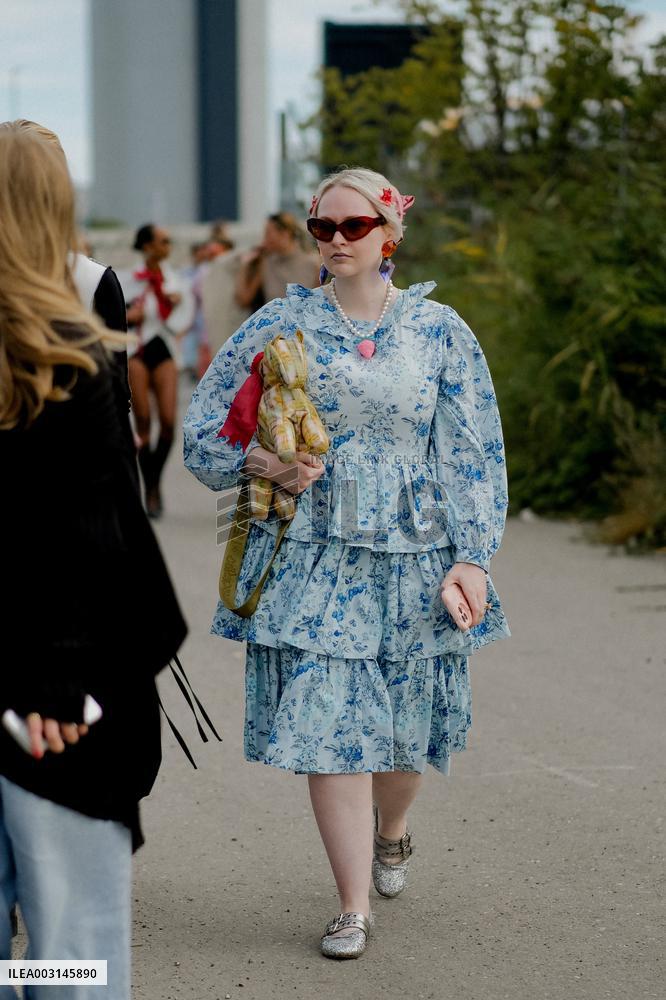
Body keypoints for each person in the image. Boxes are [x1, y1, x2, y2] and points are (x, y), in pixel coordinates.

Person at [183, 167, 510, 959]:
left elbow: (474, 454)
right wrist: (266, 464)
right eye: (320, 227)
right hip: (312, 556)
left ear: (389, 235)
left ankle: (392, 831)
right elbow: (204, 438)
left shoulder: (440, 332)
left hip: (415, 554)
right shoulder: (276, 328)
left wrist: (474, 557)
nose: (333, 240)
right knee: (330, 724)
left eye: (352, 227)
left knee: (403, 736)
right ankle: (351, 904)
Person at [0, 123, 187, 995]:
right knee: (72, 944)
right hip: (56, 702)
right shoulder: (71, 358)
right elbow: (96, 536)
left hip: (41, 685)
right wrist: (65, 684)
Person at [120, 224, 194, 518]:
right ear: (148, 245)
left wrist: (172, 306)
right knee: (142, 420)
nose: (168, 245)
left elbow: (186, 315)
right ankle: (148, 489)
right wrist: (130, 315)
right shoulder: (128, 279)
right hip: (136, 349)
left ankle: (153, 480)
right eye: (163, 241)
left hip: (163, 347)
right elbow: (110, 314)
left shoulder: (174, 280)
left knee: (167, 421)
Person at [234, 211, 319, 312]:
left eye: (268, 233)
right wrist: (245, 265)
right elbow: (243, 300)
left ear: (285, 234)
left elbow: (318, 303)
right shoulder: (265, 262)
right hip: (274, 325)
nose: (264, 239)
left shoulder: (313, 262)